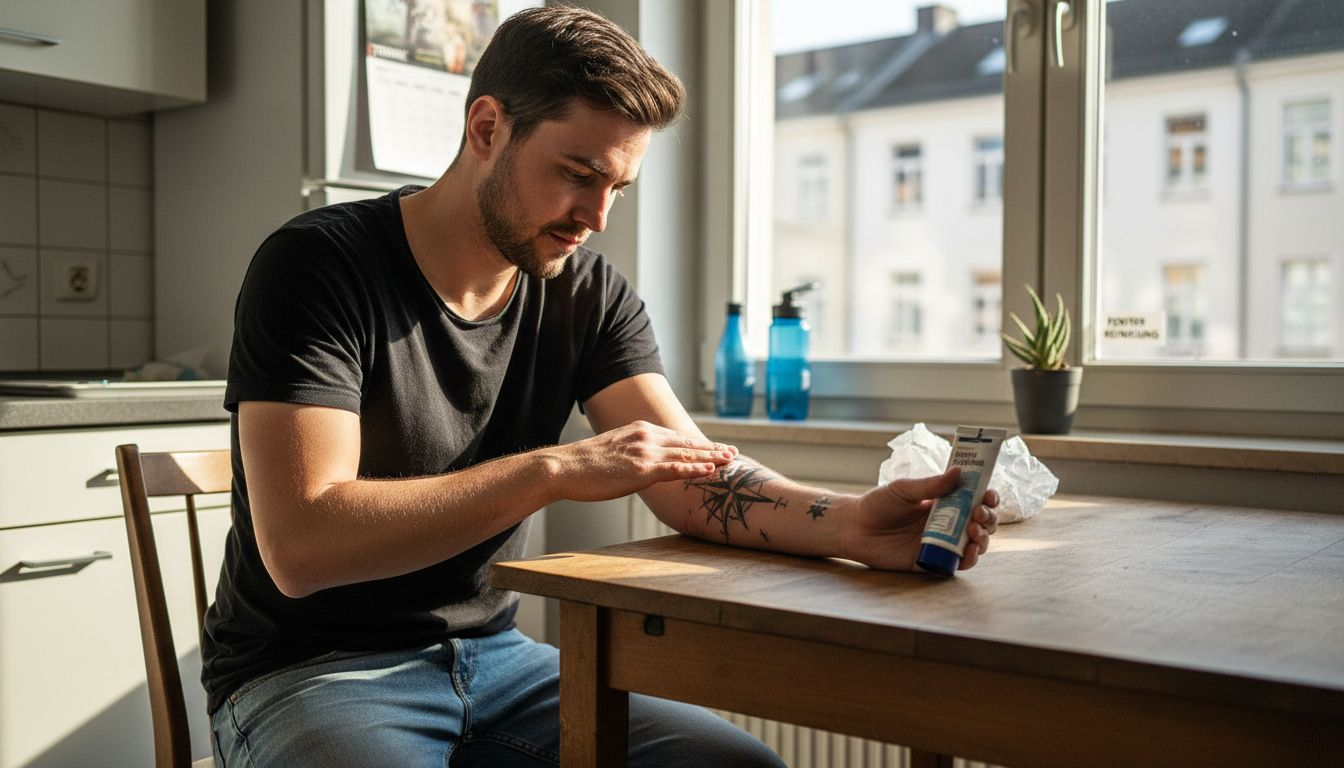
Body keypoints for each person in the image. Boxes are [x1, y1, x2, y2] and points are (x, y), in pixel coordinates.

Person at [204, 6, 1000, 767]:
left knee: (735, 765)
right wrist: (555, 471)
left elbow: (692, 478)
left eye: (618, 188)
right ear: (486, 129)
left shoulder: (585, 288)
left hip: (497, 660)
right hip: (309, 670)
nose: (596, 216)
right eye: (578, 175)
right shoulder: (317, 265)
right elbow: (302, 546)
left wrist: (854, 523)